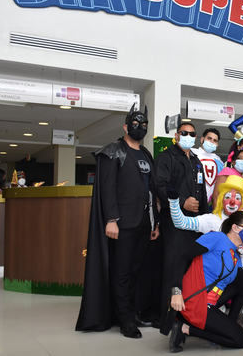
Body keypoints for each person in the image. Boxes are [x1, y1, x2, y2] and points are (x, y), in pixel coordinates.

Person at [76, 104, 159, 338]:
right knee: (121, 272)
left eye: (144, 125)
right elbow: (108, 188)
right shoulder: (114, 151)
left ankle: (131, 312)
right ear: (125, 126)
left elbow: (152, 190)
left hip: (145, 223)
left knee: (136, 272)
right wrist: (111, 219)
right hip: (122, 224)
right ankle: (125, 320)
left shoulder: (146, 154)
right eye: (135, 124)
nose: (140, 128)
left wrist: (156, 223)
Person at [167, 211, 243, 350]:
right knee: (240, 340)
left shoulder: (235, 253)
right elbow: (182, 257)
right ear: (235, 227)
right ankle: (185, 329)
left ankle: (230, 324)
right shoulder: (216, 238)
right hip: (197, 300)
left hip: (212, 300)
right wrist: (176, 291)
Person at [154, 122, 209, 323]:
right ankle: (166, 317)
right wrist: (182, 200)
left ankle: (186, 315)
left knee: (189, 267)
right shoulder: (166, 157)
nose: (188, 136)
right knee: (173, 266)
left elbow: (202, 191)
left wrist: (205, 217)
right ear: (176, 135)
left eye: (192, 134)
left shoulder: (196, 160)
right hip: (174, 221)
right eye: (184, 133)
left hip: (195, 223)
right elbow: (160, 185)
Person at [191, 128, 223, 202]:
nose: (212, 142)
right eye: (209, 138)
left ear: (217, 144)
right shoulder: (191, 153)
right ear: (202, 139)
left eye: (215, 140)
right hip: (191, 199)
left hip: (209, 203)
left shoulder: (218, 161)